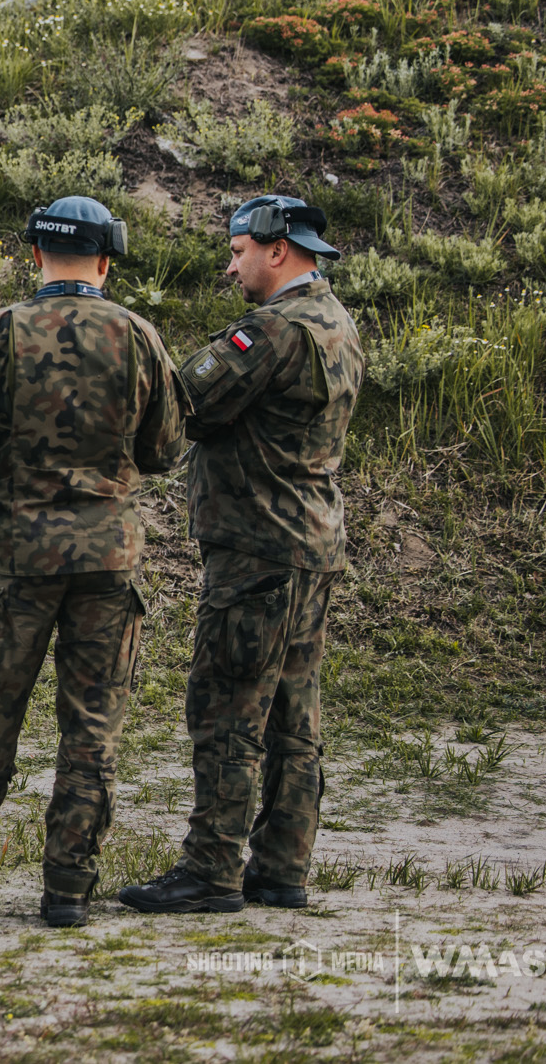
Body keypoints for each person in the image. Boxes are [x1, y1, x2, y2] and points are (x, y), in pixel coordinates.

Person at [0, 197, 186, 928]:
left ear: (36, 257)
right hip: (107, 562)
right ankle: (67, 890)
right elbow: (163, 451)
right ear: (104, 261)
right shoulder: (138, 336)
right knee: (91, 728)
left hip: (18, 559)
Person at [121, 195, 362, 915]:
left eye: (237, 252)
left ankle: (211, 866)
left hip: (256, 548)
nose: (231, 266)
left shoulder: (275, 331)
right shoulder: (338, 323)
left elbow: (186, 400)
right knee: (294, 711)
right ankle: (283, 864)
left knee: (227, 706)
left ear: (276, 249)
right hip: (311, 544)